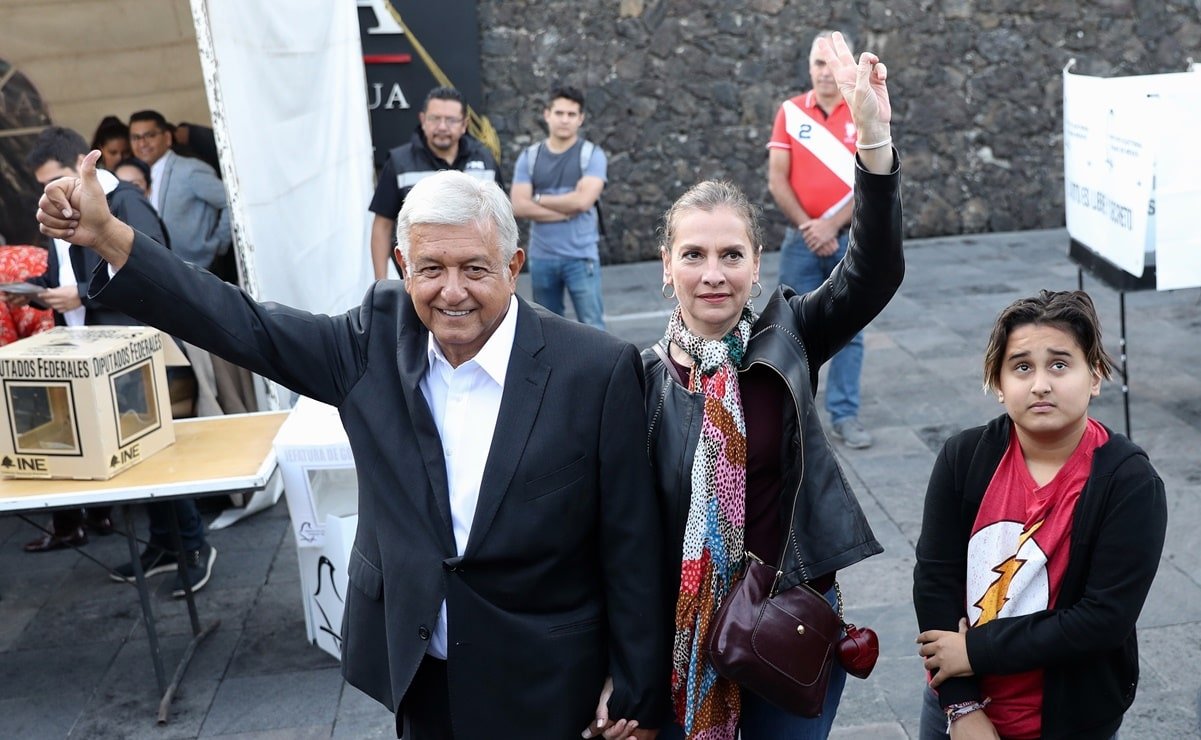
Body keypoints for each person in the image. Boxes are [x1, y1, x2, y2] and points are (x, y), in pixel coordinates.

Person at [37, 163, 666, 739]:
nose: (452, 292)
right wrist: (109, 237)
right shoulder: (373, 342)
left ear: (513, 265)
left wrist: (635, 689)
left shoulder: (594, 369)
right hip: (423, 670)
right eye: (431, 269)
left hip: (549, 680)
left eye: (475, 269)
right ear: (401, 265)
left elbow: (631, 544)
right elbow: (241, 322)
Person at [635, 33, 899, 740]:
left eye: (731, 254)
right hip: (682, 633)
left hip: (787, 622)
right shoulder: (639, 380)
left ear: (756, 265)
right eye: (693, 254)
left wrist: (873, 145)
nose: (712, 273)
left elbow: (873, 272)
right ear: (666, 266)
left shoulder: (788, 337)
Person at [913, 290, 1167, 740]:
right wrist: (961, 706)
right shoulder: (963, 458)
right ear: (998, 383)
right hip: (954, 706)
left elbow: (1103, 619)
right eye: (1022, 367)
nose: (1041, 385)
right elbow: (935, 580)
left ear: (1095, 377)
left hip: (1068, 719)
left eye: (1060, 365)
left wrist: (975, 650)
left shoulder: (1130, 483)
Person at [768, 31, 875, 450]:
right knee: (789, 328)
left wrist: (831, 226)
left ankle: (845, 416)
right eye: (818, 64)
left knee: (852, 330)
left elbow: (873, 175)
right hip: (801, 240)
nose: (825, 73)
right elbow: (777, 179)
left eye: (831, 64)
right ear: (809, 68)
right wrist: (811, 227)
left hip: (850, 240)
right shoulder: (790, 111)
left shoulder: (862, 110)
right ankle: (793, 418)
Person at [368, 86, 503, 280]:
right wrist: (381, 283)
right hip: (421, 275)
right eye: (435, 119)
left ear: (464, 124)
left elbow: (502, 221)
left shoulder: (486, 160)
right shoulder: (399, 163)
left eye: (451, 120)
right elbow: (382, 226)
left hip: (475, 274)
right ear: (423, 120)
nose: (442, 127)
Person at [510, 85, 608, 330]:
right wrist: (566, 211)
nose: (565, 119)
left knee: (593, 327)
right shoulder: (530, 157)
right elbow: (518, 205)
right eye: (559, 113)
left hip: (581, 257)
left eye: (571, 114)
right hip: (542, 256)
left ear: (581, 118)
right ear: (547, 114)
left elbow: (583, 202)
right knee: (546, 328)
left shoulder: (592, 155)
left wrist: (538, 198)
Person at [129, 109, 231, 271]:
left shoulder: (190, 169)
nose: (142, 144)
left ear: (167, 138)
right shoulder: (134, 173)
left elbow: (230, 202)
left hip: (196, 270)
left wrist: (218, 244)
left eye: (150, 135)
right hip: (159, 269)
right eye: (136, 138)